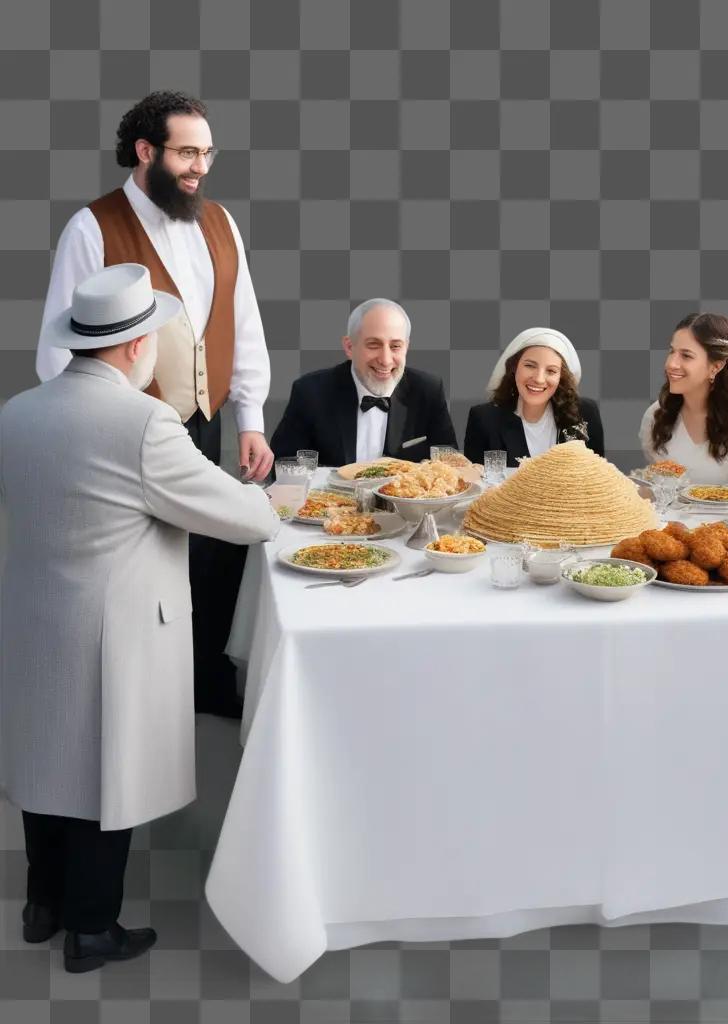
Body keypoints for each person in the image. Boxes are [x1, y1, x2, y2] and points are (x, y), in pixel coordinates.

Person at [1, 264, 280, 972]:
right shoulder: (145, 422)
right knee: (103, 775)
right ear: (133, 348)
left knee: (45, 764)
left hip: (32, 619)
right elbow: (246, 516)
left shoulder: (17, 411)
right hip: (112, 631)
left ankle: (43, 905)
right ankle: (91, 930)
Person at [36, 90, 275, 718]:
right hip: (118, 429)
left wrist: (250, 418)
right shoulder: (91, 227)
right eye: (187, 152)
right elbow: (59, 348)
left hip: (204, 418)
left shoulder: (220, 223)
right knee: (138, 571)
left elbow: (241, 322)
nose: (200, 166)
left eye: (206, 152)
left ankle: (202, 681)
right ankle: (141, 696)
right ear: (145, 151)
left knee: (208, 552)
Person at [270, 297, 457, 465]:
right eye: (374, 345)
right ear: (350, 347)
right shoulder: (310, 392)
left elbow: (450, 462)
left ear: (406, 347)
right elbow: (284, 463)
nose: (385, 359)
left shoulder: (428, 390)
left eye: (395, 346)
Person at [639, 313, 728, 485]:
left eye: (686, 355)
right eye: (671, 351)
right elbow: (655, 491)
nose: (671, 364)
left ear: (716, 367)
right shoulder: (656, 415)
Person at [464, 328, 604, 465]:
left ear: (561, 377)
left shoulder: (585, 412)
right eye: (530, 366)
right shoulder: (484, 419)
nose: (539, 379)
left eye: (551, 371)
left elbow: (601, 478)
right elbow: (474, 483)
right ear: (514, 367)